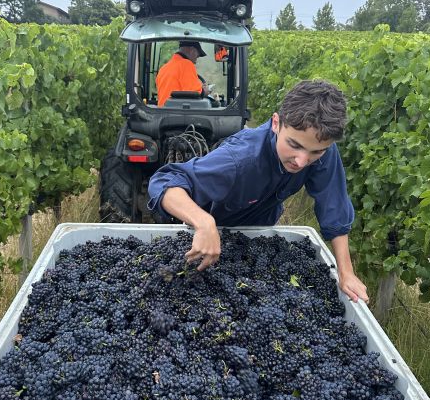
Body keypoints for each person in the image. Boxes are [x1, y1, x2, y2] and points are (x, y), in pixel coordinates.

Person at [148, 79, 368, 303]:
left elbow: (334, 206)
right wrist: (204, 223)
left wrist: (346, 272)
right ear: (276, 123)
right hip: (209, 241)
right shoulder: (240, 159)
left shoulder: (321, 148)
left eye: (315, 152)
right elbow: (164, 181)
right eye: (294, 145)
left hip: (257, 237)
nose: (302, 161)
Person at [156, 41, 209, 107]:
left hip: (161, 112)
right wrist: (205, 91)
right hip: (177, 113)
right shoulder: (187, 64)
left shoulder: (163, 68)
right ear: (192, 50)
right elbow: (195, 93)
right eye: (197, 56)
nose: (195, 61)